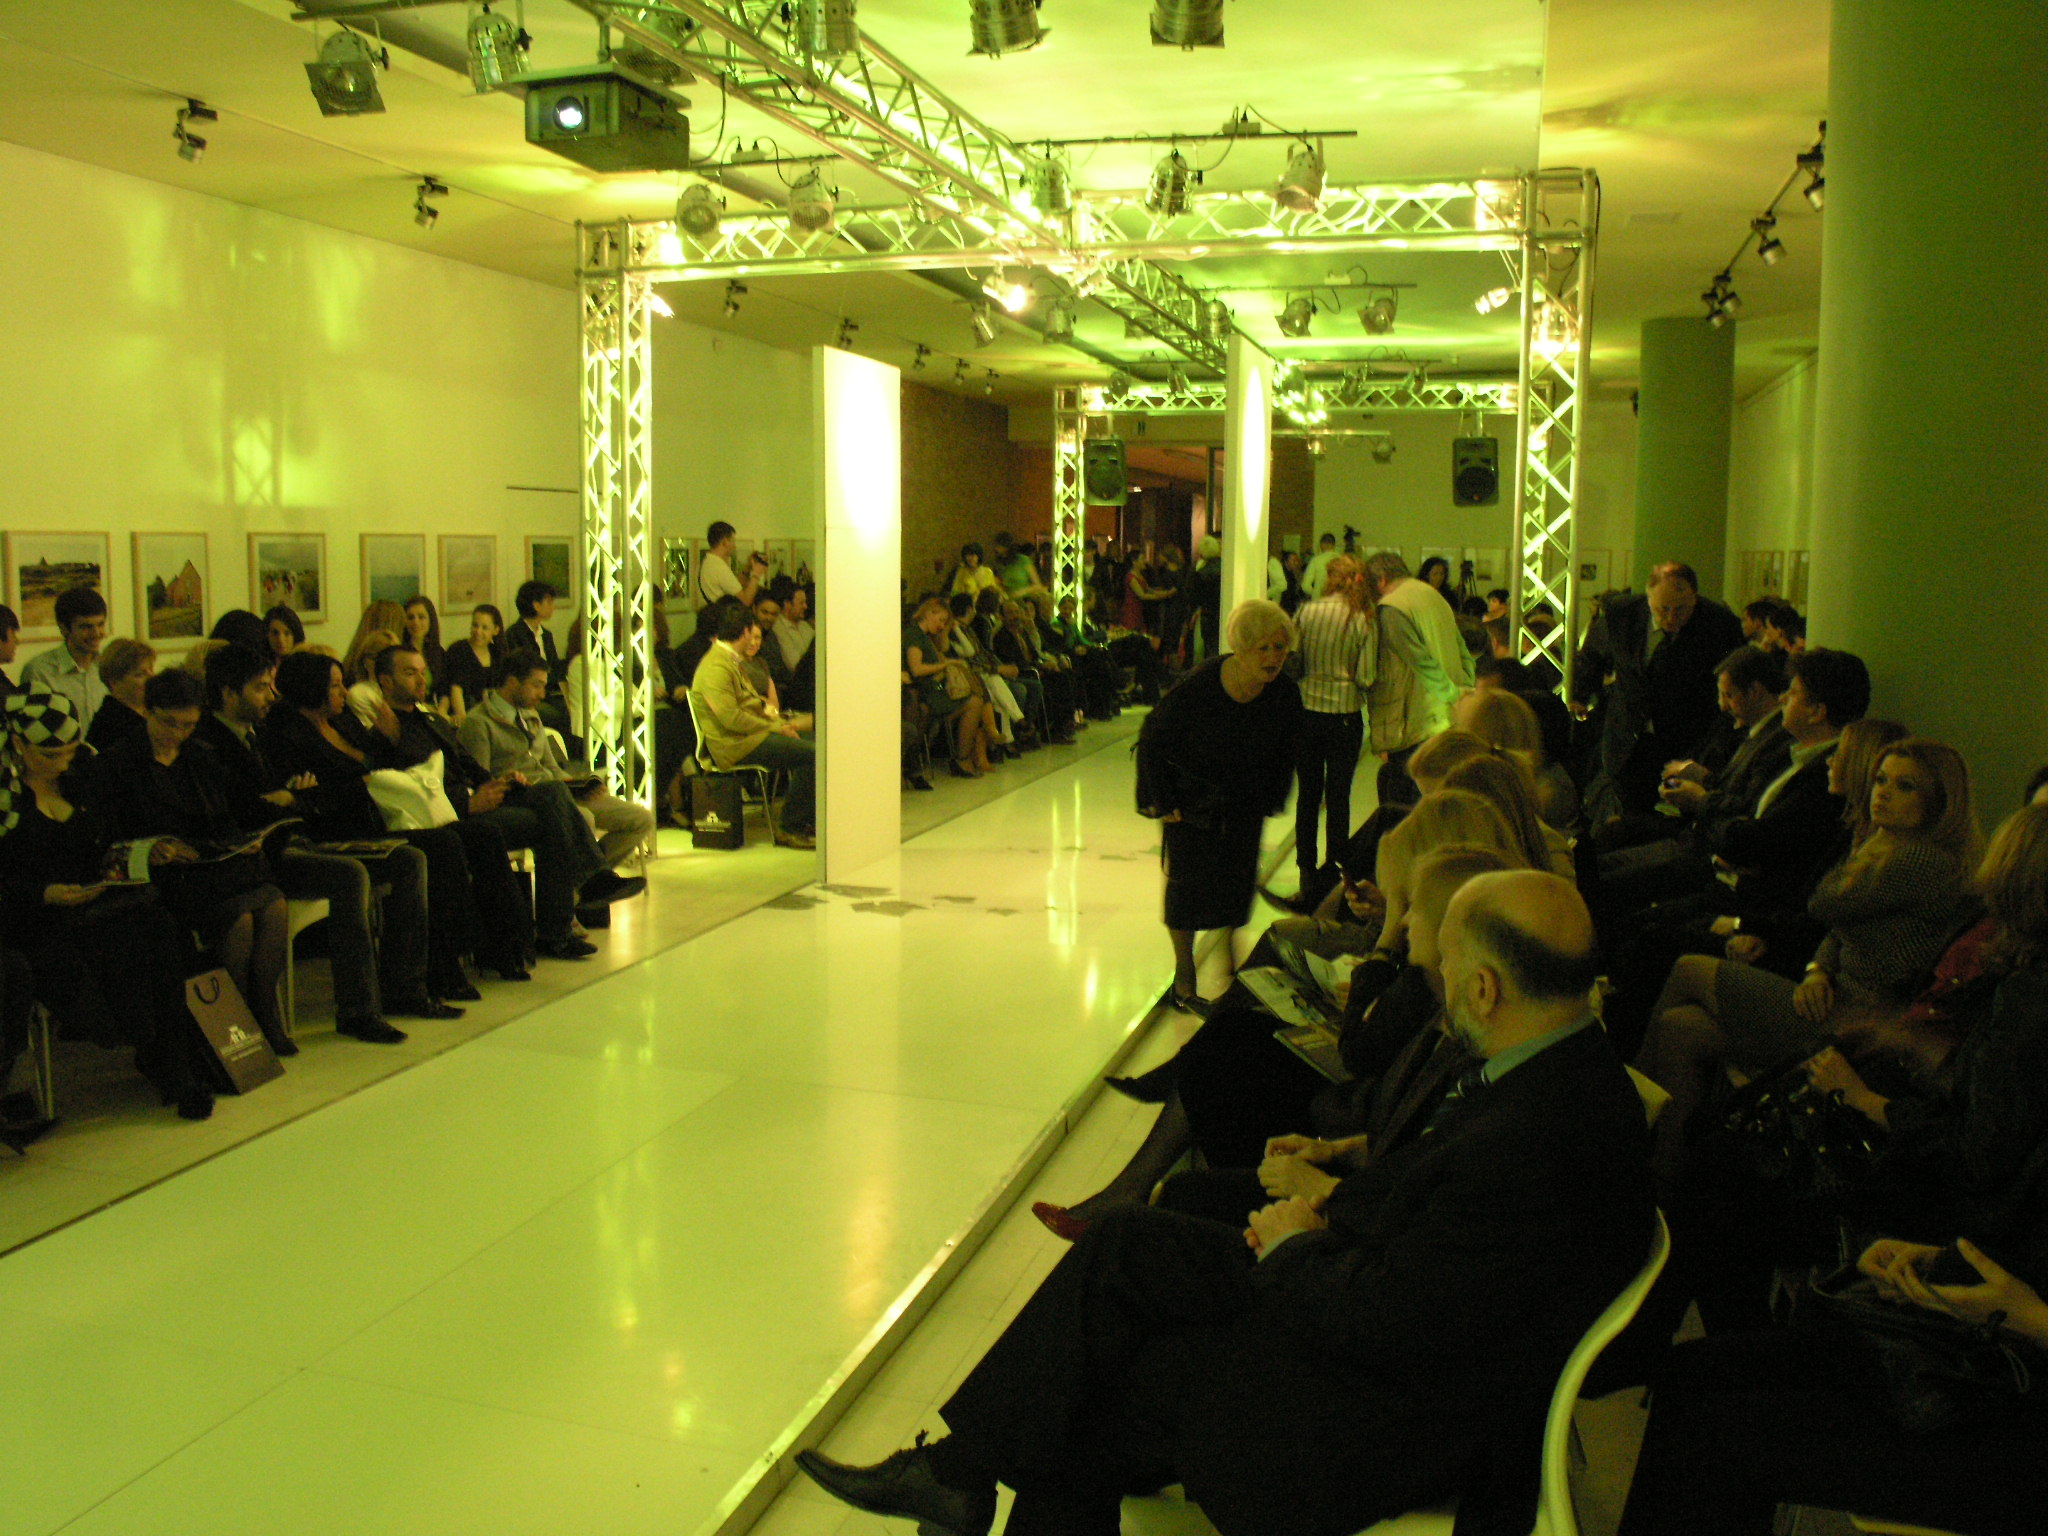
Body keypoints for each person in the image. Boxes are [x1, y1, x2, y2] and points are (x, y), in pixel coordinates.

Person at [801, 871, 1654, 1536]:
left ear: (1485, 990)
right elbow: (1438, 1240)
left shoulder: (1535, 1140)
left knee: (1096, 1391)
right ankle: (956, 1474)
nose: (1436, 984)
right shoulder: (1561, 1077)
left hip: (1389, 1419)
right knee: (1126, 1249)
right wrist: (1329, 1198)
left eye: (1446, 969)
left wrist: (1295, 1244)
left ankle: (958, 1475)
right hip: (1396, 1339)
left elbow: (1393, 1321)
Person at [1637, 735, 1981, 1183]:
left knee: (1689, 967)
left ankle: (1626, 1114)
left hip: (1860, 1026)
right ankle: (1663, 1172)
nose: (1882, 794)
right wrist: (1818, 971)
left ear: (1939, 802)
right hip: (1835, 999)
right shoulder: (1893, 850)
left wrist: (1866, 844)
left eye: (1905, 786)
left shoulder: (1922, 860)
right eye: (1880, 780)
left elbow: (1823, 904)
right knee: (1680, 1027)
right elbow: (1838, 932)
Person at [199, 643, 457, 1034]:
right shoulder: (220, 741)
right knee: (350, 875)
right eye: (260, 688)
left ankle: (406, 987)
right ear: (229, 694)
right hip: (274, 850)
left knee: (410, 859)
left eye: (270, 686)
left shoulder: (260, 732)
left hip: (308, 833)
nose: (270, 695)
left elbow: (302, 793)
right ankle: (357, 1010)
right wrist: (295, 799)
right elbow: (255, 806)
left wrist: (296, 798)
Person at [0, 692, 218, 1119]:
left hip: (93, 903)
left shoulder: (81, 779)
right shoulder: (7, 800)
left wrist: (137, 856)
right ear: (20, 745)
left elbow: (107, 840)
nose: (62, 763)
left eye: (69, 752)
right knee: (115, 945)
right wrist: (45, 893)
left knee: (158, 926)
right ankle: (147, 1042)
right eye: (51, 755)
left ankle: (176, 1066)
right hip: (36, 918)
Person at [264, 650, 537, 985]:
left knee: (482, 833)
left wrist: (387, 742)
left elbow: (382, 767)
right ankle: (443, 962)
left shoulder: (344, 722)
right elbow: (314, 793)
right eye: (334, 686)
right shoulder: (290, 736)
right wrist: (347, 780)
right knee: (442, 843)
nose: (344, 692)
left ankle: (505, 946)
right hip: (349, 826)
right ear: (311, 688)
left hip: (385, 810)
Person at [93, 668, 296, 1057]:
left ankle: (263, 1008)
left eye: (188, 725)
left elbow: (224, 817)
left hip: (212, 865)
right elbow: (111, 837)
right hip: (167, 878)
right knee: (240, 918)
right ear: (148, 711)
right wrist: (156, 848)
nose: (178, 734)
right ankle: (233, 1020)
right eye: (169, 723)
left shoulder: (200, 756)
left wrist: (243, 841)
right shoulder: (119, 763)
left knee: (273, 904)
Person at [370, 644, 601, 961]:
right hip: (445, 814)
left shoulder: (432, 720)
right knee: (548, 820)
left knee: (552, 792)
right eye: (410, 673)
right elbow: (412, 784)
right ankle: (565, 917)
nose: (421, 680)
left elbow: (467, 764)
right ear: (385, 680)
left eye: (423, 672)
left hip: (477, 797)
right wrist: (469, 800)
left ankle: (583, 893)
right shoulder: (386, 731)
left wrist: (498, 782)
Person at [1135, 599, 1304, 1012]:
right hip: (1191, 800)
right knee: (1187, 888)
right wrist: (1161, 799)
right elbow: (1153, 736)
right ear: (1240, 650)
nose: (1274, 657)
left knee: (1237, 883)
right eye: (1263, 648)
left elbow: (1288, 748)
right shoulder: (1200, 686)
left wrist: (1273, 794)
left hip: (1243, 800)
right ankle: (1184, 975)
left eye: (1280, 648)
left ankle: (1230, 961)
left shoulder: (1284, 692)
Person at [458, 652, 654, 887]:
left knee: (640, 818)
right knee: (583, 817)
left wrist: (582, 785)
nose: (542, 694)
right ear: (512, 682)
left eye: (543, 686)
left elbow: (552, 767)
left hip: (559, 791)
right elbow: (481, 781)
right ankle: (588, 882)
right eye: (536, 685)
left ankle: (585, 881)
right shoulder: (479, 722)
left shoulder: (531, 716)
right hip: (524, 798)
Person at [1573, 561, 1746, 825]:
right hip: (1627, 739)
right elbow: (1592, 656)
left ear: (1695, 598)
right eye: (1663, 609)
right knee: (1626, 819)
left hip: (1686, 741)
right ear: (1649, 598)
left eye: (1681, 609)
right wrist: (1580, 695)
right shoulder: (1622, 613)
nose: (1671, 617)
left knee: (1679, 821)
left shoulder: (1720, 626)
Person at [1288, 554, 1376, 909]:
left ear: (1328, 578)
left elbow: (1294, 661)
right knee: (1339, 798)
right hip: (1345, 716)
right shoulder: (1362, 619)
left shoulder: (1306, 612)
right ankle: (1336, 877)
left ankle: (1305, 876)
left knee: (1308, 796)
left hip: (1307, 711)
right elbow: (1366, 676)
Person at [694, 605, 817, 849]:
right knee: (814, 755)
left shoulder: (729, 661)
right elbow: (731, 718)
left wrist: (777, 723)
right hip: (735, 744)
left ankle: (806, 818)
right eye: (752, 632)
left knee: (819, 742)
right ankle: (791, 826)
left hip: (750, 735)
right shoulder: (716, 667)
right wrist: (775, 728)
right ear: (745, 632)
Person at [1363, 551, 1474, 809]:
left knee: (1410, 803)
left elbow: (1420, 661)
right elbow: (1463, 651)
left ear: (1381, 580)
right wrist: (1465, 690)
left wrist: (1451, 693)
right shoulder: (1434, 596)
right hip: (1447, 717)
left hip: (1415, 719)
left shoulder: (1393, 608)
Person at [905, 597, 997, 778]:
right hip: (927, 693)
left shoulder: (923, 636)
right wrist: (945, 665)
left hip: (933, 690)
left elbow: (940, 650)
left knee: (975, 698)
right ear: (929, 613)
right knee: (974, 702)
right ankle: (963, 757)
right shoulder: (914, 636)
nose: (941, 626)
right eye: (940, 620)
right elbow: (917, 669)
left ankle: (965, 756)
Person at [20, 587, 109, 723]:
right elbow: (31, 727)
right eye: (86, 627)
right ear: (64, 629)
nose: (96, 633)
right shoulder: (39, 672)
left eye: (100, 624)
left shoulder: (109, 667)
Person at [85, 638, 155, 756]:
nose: (152, 677)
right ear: (114, 682)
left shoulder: (154, 712)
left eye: (151, 670)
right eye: (140, 674)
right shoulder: (108, 726)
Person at [441, 602, 501, 721]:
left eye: (484, 628)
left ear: (495, 630)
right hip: (466, 714)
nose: (478, 631)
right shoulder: (459, 649)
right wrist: (462, 717)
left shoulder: (497, 653)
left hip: (491, 715)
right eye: (475, 625)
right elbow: (455, 688)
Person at [697, 520, 767, 607]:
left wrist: (748, 568)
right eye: (733, 541)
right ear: (725, 542)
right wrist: (756, 575)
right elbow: (745, 601)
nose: (734, 546)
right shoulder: (718, 567)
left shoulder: (709, 562)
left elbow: (734, 588)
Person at [402, 595, 446, 697]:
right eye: (410, 617)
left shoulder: (439, 653)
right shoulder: (400, 653)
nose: (415, 622)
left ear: (430, 620)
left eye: (421, 617)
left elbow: (445, 689)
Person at [1300, 532, 1339, 602]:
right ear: (1334, 545)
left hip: (1319, 601)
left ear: (1322, 544)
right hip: (1337, 601)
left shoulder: (1316, 560)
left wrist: (1315, 593)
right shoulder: (1342, 560)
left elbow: (1305, 585)